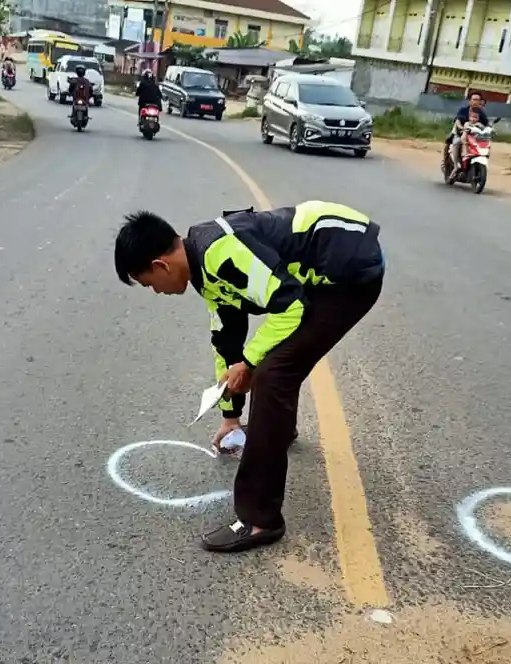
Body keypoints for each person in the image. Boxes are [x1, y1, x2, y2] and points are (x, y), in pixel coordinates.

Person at [114, 202, 385, 553]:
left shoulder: (220, 253)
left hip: (349, 272)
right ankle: (276, 433)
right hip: (319, 274)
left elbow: (291, 307)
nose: (156, 291)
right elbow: (227, 342)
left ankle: (260, 520)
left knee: (272, 373)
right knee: (270, 361)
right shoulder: (204, 270)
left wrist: (250, 362)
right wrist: (231, 417)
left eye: (148, 283)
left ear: (159, 265)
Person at [448, 91, 489, 177]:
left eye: (478, 100)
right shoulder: (463, 110)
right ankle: (456, 166)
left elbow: (486, 124)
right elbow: (458, 121)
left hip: (475, 137)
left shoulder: (481, 113)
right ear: (470, 101)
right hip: (461, 134)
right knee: (457, 142)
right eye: (474, 99)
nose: (476, 102)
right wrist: (462, 128)